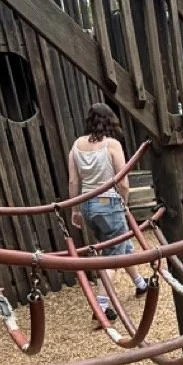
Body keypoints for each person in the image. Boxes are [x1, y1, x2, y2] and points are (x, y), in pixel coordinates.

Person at [68, 104, 149, 305]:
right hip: (109, 202)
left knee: (120, 244)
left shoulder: (76, 145)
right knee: (113, 255)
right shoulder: (111, 144)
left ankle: (140, 283)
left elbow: (73, 181)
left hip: (87, 205)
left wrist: (75, 210)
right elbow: (122, 181)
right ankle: (102, 306)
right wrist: (124, 202)